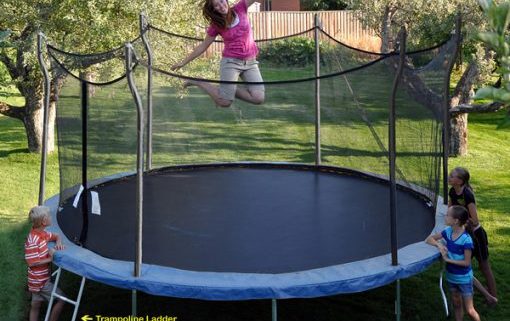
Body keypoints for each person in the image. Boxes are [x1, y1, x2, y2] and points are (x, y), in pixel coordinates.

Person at [172, 0, 265, 108]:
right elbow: (203, 46)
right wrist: (183, 62)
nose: (221, 6)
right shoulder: (216, 25)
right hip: (231, 63)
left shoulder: (240, 7)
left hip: (250, 63)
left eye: (221, 1)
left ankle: (227, 89)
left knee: (258, 98)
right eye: (216, 5)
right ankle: (199, 81)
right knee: (224, 102)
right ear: (214, 9)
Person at [448, 167, 498, 305]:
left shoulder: (467, 195)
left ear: (460, 181)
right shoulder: (452, 191)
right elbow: (450, 211)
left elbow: (475, 220)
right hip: (464, 235)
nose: (449, 177)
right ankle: (481, 293)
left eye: (452, 176)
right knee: (465, 265)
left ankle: (493, 296)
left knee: (484, 266)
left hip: (476, 235)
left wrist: (460, 220)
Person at [426, 206, 480, 321]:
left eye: (447, 215)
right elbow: (429, 239)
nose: (445, 216)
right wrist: (439, 245)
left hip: (464, 279)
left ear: (455, 221)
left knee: (470, 310)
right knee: (456, 304)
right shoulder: (448, 231)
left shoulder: (466, 240)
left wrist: (448, 259)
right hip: (451, 277)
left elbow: (466, 262)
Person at [25, 206, 66, 321]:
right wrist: (51, 258)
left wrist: (58, 243)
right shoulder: (33, 240)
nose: (51, 217)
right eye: (49, 216)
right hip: (40, 281)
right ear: (44, 221)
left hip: (35, 280)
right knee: (61, 299)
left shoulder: (42, 234)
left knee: (36, 305)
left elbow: (56, 236)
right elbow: (32, 263)